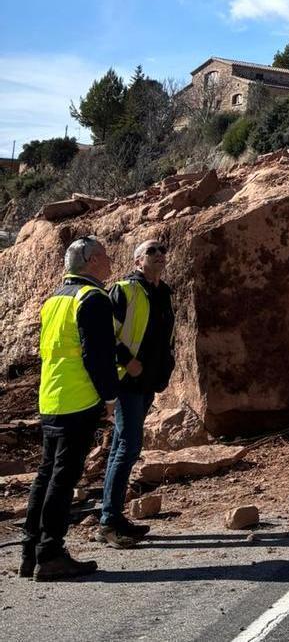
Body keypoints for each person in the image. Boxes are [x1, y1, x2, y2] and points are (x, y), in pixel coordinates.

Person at [22, 236, 118, 581]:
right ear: (91, 261)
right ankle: (50, 554)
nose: (109, 261)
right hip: (79, 398)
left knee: (46, 475)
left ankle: (31, 553)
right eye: (104, 255)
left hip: (51, 397)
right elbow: (98, 355)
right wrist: (109, 397)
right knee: (63, 479)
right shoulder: (92, 298)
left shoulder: (55, 299)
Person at [97, 239, 175, 548]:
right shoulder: (124, 290)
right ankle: (109, 521)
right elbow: (104, 333)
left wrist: (165, 367)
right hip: (126, 381)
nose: (159, 255)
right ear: (137, 261)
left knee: (121, 447)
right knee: (128, 447)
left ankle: (111, 518)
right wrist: (127, 361)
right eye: (151, 251)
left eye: (162, 250)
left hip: (147, 382)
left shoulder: (164, 293)